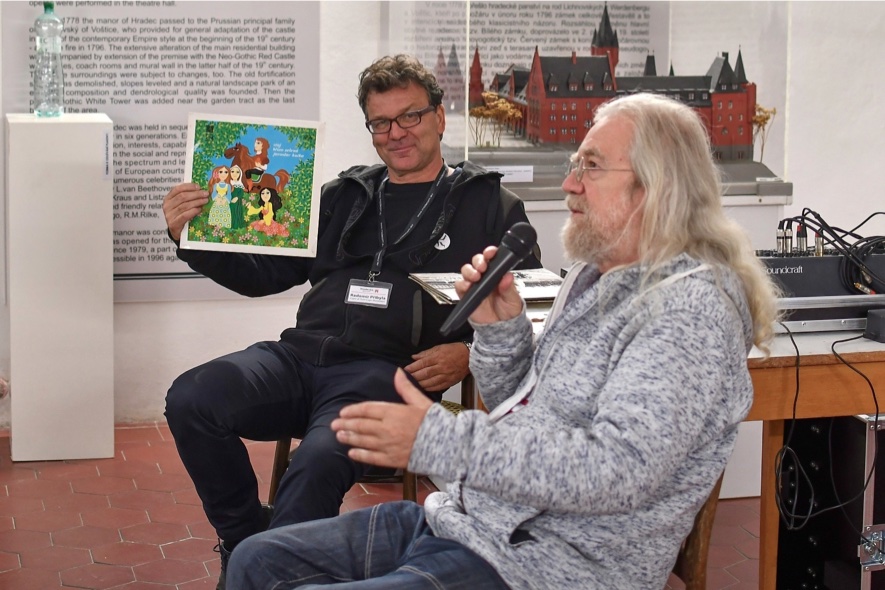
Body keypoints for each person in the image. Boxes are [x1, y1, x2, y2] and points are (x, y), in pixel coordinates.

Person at [225, 92, 780, 589]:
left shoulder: (689, 310)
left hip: (546, 565)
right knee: (255, 559)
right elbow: (527, 410)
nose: (570, 184)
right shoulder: (593, 276)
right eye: (575, 164)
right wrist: (500, 331)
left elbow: (616, 472)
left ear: (656, 187)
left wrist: (439, 439)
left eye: (590, 166)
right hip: (469, 524)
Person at [161, 54, 541, 590]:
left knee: (317, 461)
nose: (396, 133)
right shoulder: (343, 196)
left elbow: (527, 310)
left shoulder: (490, 205)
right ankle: (246, 543)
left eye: (409, 116)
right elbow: (263, 275)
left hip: (384, 374)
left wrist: (468, 353)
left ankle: (268, 573)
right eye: (380, 123)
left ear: (439, 117)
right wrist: (190, 237)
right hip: (298, 358)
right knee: (192, 398)